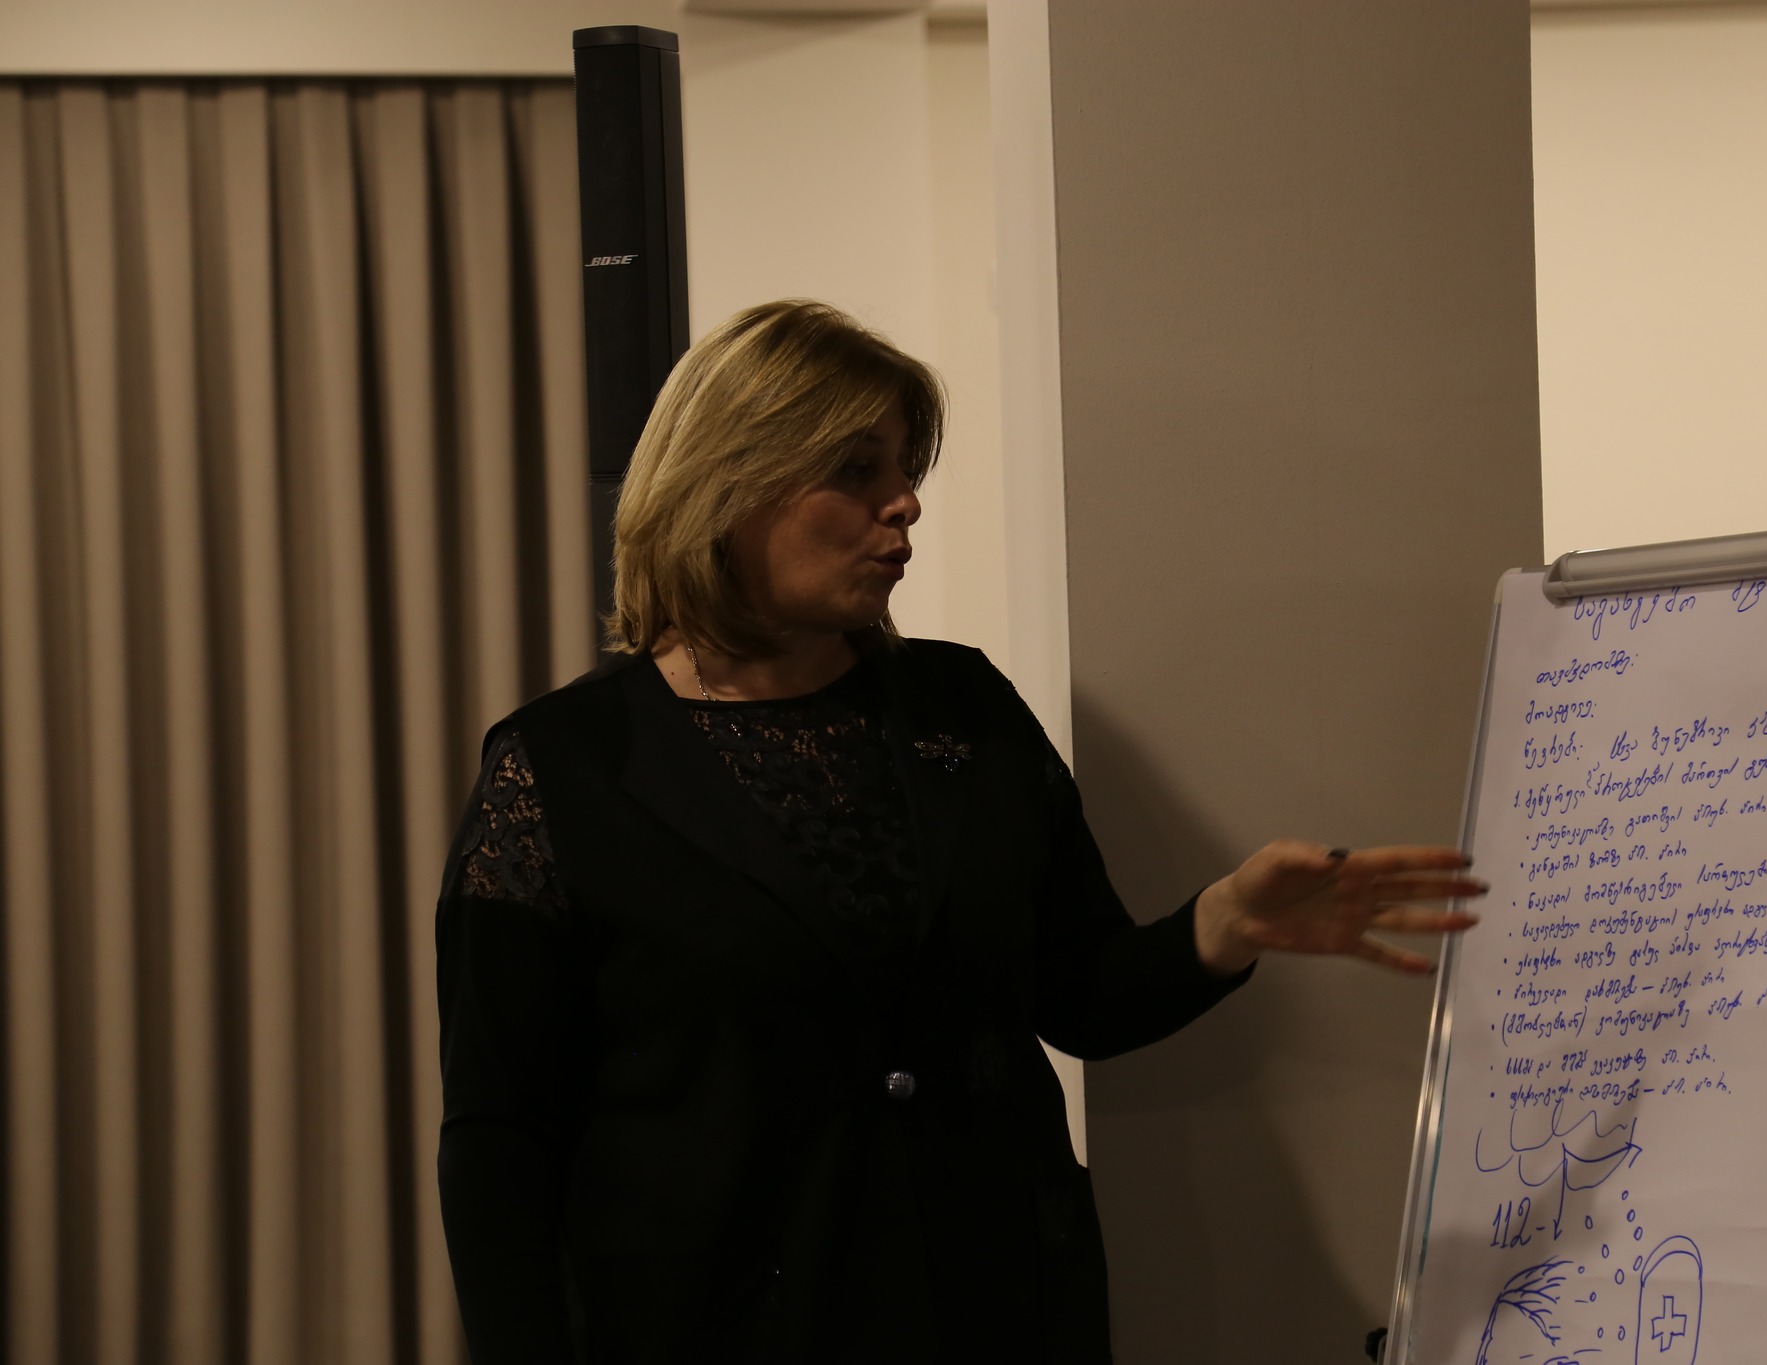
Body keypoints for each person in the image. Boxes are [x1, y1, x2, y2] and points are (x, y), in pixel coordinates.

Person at [435, 299, 1485, 1363]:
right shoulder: (564, 767)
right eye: (856, 469)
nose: (903, 502)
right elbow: (500, 1136)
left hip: (996, 1307)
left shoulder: (962, 707)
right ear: (726, 485)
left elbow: (1080, 995)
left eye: (904, 468)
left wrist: (1222, 924)